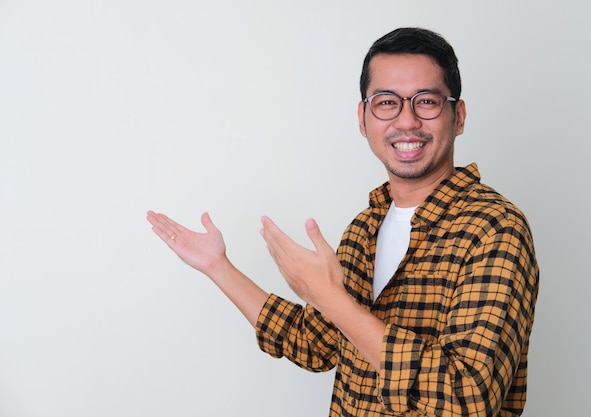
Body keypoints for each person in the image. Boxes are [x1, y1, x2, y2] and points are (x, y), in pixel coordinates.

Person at [146, 27, 539, 417]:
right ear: (362, 118)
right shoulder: (365, 229)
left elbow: (468, 399)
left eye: (427, 101)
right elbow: (315, 343)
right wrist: (219, 267)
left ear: (459, 115)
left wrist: (330, 297)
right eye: (387, 102)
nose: (406, 120)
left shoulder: (496, 229)